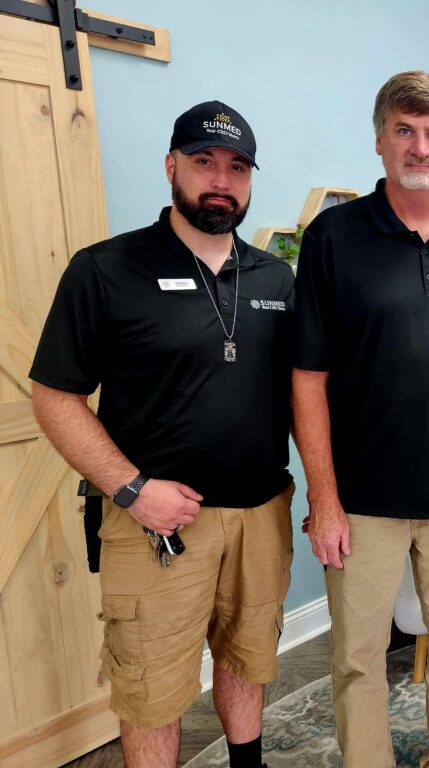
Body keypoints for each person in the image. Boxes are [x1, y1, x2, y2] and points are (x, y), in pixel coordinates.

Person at [29, 101, 295, 768]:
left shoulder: (276, 277)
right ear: (171, 165)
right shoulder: (106, 271)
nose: (220, 180)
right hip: (158, 526)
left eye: (237, 167)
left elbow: (311, 392)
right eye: (204, 161)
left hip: (263, 515)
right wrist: (132, 489)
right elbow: (55, 397)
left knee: (249, 658)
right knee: (151, 691)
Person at [292, 70, 429, 768]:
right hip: (362, 499)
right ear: (381, 141)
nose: (421, 147)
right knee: (358, 655)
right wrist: (323, 498)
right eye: (406, 131)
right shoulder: (332, 238)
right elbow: (307, 379)